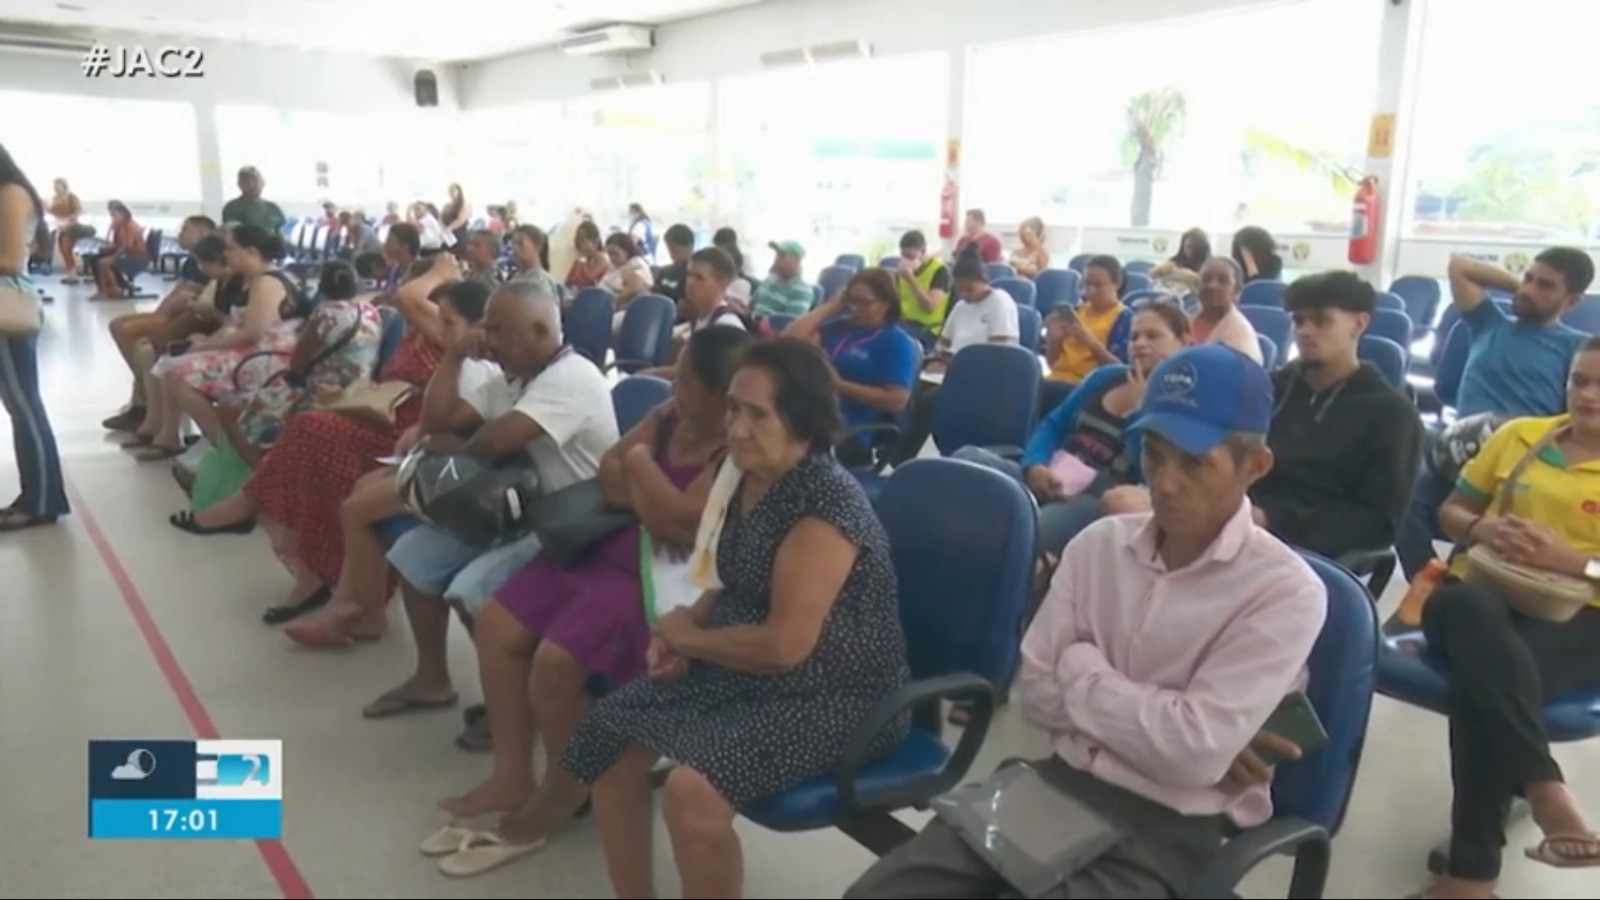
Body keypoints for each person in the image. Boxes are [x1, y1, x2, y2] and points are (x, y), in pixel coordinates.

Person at [845, 343, 1328, 899]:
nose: (1166, 482)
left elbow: (1192, 755)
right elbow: (1037, 699)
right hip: (1056, 783)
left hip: (1167, 824)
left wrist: (1079, 665)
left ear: (1254, 465)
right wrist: (1169, 726)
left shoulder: (1284, 591)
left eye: (1195, 463)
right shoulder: (1098, 546)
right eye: (1154, 453)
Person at [566, 339, 910, 899]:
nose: (737, 427)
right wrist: (681, 628)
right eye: (732, 408)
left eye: (757, 414)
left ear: (800, 421)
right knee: (608, 734)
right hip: (750, 663)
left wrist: (694, 640)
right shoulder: (740, 471)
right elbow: (722, 573)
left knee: (690, 793)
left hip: (842, 694)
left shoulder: (824, 505)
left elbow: (784, 647)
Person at [423, 327, 752, 876]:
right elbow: (609, 472)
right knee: (499, 622)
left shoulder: (733, 449)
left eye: (689, 380)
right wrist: (647, 487)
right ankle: (513, 773)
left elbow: (677, 518)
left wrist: (641, 469)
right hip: (608, 544)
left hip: (660, 578)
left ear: (724, 396)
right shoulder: (672, 415)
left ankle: (564, 788)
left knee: (556, 663)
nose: (676, 386)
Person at [364, 280, 620, 719]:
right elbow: (437, 425)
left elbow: (491, 444)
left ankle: (511, 706)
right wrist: (454, 354)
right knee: (412, 556)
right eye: (486, 328)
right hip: (511, 506)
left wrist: (450, 443)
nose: (488, 339)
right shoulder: (514, 378)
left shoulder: (572, 377)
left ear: (540, 332)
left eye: (499, 330)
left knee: (471, 590)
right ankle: (433, 681)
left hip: (570, 522)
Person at [1412, 342, 1600, 898]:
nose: (1588, 395)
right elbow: (1453, 509)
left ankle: (1470, 878)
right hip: (1477, 593)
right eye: (1580, 381)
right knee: (1472, 618)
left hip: (1581, 615)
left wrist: (1573, 562)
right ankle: (1544, 787)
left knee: (1488, 682)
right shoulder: (1518, 435)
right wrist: (1481, 531)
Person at [1397, 249, 1592, 580]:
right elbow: (1460, 267)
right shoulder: (1488, 323)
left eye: (1546, 286)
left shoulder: (1578, 348)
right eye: (1529, 278)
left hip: (1520, 457)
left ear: (1571, 302)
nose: (1530, 290)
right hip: (1460, 446)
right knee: (1403, 502)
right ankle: (1428, 583)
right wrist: (1522, 287)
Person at [956, 300, 1192, 556]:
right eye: (1134, 336)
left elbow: (1148, 475)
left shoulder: (1178, 406)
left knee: (1030, 529)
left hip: (1091, 498)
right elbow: (1054, 425)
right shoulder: (1106, 377)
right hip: (1049, 472)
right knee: (965, 459)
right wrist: (1035, 464)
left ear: (1181, 342)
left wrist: (1138, 412)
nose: (1140, 344)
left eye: (1153, 336)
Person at [1249, 271, 1422, 559]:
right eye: (1298, 320)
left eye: (1320, 321)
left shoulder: (1391, 415)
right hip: (1241, 531)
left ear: (1359, 323)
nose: (1304, 331)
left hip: (1309, 555)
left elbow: (1378, 523)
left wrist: (1273, 521)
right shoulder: (1272, 390)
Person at [890, 250, 1019, 464]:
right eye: (960, 290)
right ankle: (894, 447)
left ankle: (901, 458)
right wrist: (936, 361)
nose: (965, 295)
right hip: (951, 371)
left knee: (927, 403)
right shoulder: (960, 307)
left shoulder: (1000, 302)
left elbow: (1000, 355)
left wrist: (956, 365)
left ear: (983, 281)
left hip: (983, 377)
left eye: (969, 289)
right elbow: (944, 346)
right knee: (907, 389)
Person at [782, 268, 919, 467]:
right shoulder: (840, 327)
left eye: (863, 302)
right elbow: (788, 341)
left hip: (850, 430)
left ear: (886, 303)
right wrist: (832, 305)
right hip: (811, 414)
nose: (855, 308)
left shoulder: (896, 342)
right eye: (851, 300)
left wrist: (839, 386)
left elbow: (896, 400)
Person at [0, 142, 67, 531]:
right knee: (20, 405)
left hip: (8, 304)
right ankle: (36, 497)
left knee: (25, 407)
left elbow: (10, 259)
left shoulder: (11, 193)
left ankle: (42, 501)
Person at [1189, 257, 1261, 362]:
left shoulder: (1240, 334)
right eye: (1206, 278)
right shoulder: (1186, 320)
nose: (1212, 285)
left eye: (1223, 280)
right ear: (1197, 285)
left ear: (1237, 290)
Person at [221, 166, 286, 233]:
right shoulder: (232, 207)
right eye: (246, 181)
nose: (252, 185)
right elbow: (232, 234)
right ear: (239, 184)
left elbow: (279, 231)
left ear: (263, 183)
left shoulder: (272, 207)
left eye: (256, 180)